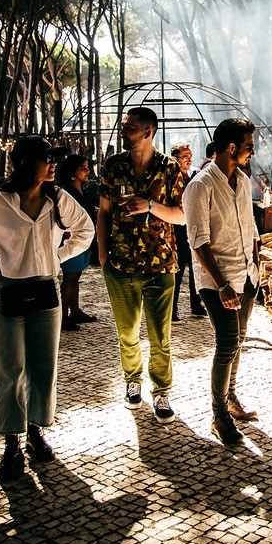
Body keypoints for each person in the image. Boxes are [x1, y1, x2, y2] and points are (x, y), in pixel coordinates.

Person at [0, 136, 94, 480]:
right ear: (26, 162)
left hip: (45, 290)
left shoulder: (57, 198)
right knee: (10, 369)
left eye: (55, 159)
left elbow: (84, 230)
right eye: (47, 158)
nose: (54, 164)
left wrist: (56, 257)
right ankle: (12, 443)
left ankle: (36, 432)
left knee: (44, 368)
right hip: (6, 292)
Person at [97, 107, 187, 423]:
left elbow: (182, 215)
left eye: (130, 127)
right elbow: (104, 212)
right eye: (124, 126)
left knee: (160, 336)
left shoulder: (171, 168)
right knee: (127, 333)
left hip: (160, 264)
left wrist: (149, 205)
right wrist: (103, 254)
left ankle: (161, 392)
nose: (123, 131)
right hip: (120, 265)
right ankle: (132, 381)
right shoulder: (113, 166)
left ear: (147, 132)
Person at [182, 118, 261, 445]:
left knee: (238, 339)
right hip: (218, 280)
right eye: (248, 145)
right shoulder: (200, 186)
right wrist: (223, 284)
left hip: (247, 275)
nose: (252, 151)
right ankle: (219, 415)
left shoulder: (242, 181)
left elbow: (250, 225)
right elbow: (198, 242)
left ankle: (230, 397)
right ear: (231, 147)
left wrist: (257, 261)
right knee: (227, 341)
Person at [57, 154, 99, 329]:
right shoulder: (65, 193)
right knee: (69, 277)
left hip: (84, 239)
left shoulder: (83, 190)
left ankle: (75, 311)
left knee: (76, 276)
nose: (87, 171)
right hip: (72, 239)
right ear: (72, 173)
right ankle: (63, 316)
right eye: (83, 168)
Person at [170, 141, 206, 320]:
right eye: (185, 157)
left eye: (190, 156)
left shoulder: (195, 174)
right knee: (177, 269)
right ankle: (172, 308)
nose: (189, 160)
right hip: (177, 228)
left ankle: (196, 303)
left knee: (196, 267)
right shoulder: (170, 176)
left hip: (194, 225)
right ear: (175, 158)